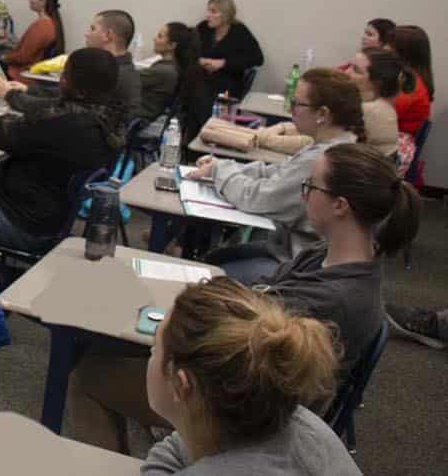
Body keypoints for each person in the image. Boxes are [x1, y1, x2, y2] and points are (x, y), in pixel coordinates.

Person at [71, 142, 417, 456]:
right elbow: (259, 294)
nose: (303, 193)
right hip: (258, 389)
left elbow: (235, 343)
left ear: (340, 206)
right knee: (111, 348)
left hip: (251, 413)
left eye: (310, 186)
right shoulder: (335, 257)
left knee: (88, 376)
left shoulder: (334, 299)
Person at [141, 278, 361, 475]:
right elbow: (175, 447)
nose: (151, 354)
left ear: (181, 384)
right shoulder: (301, 422)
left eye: (154, 348)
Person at [186, 69, 363, 278]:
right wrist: (224, 166)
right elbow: (277, 172)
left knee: (210, 275)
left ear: (322, 114)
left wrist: (219, 170)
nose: (291, 109)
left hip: (299, 265)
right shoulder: (329, 143)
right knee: (214, 259)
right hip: (292, 249)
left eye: (297, 103)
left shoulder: (324, 158)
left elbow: (259, 198)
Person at [0, 48, 123, 255]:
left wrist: (6, 117)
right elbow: (54, 108)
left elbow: (1, 136)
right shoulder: (107, 119)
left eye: (65, 74)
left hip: (20, 221)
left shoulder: (61, 124)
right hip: (51, 217)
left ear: (69, 83)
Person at [0, 9, 141, 120]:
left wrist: (11, 96)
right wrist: (28, 89)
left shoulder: (108, 74)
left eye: (92, 28)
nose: (86, 34)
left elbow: (60, 107)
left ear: (108, 35)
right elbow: (66, 95)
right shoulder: (123, 69)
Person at [196, 0, 264, 100]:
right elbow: (188, 49)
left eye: (213, 12)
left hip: (228, 82)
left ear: (226, 15)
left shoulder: (239, 31)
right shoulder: (203, 27)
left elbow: (258, 58)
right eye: (208, 11)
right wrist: (200, 60)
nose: (207, 15)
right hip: (201, 77)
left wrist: (223, 63)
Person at [344, 47, 403, 159]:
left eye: (356, 70)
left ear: (376, 83)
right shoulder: (382, 105)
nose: (347, 72)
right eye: (350, 66)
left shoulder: (371, 110)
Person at [139, 22, 203, 123]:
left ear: (172, 45)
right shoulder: (172, 67)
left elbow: (128, 79)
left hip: (139, 118)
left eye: (160, 36)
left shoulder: (165, 71)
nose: (154, 38)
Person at [0, 0, 65, 79]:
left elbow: (23, 57)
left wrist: (5, 57)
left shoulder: (41, 25)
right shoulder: (52, 23)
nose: (29, 0)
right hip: (33, 71)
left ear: (43, 1)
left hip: (21, 73)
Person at [389, 24, 434, 136]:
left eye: (390, 45)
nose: (385, 48)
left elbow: (384, 114)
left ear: (404, 52)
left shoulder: (411, 86)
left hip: (397, 144)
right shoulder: (405, 77)